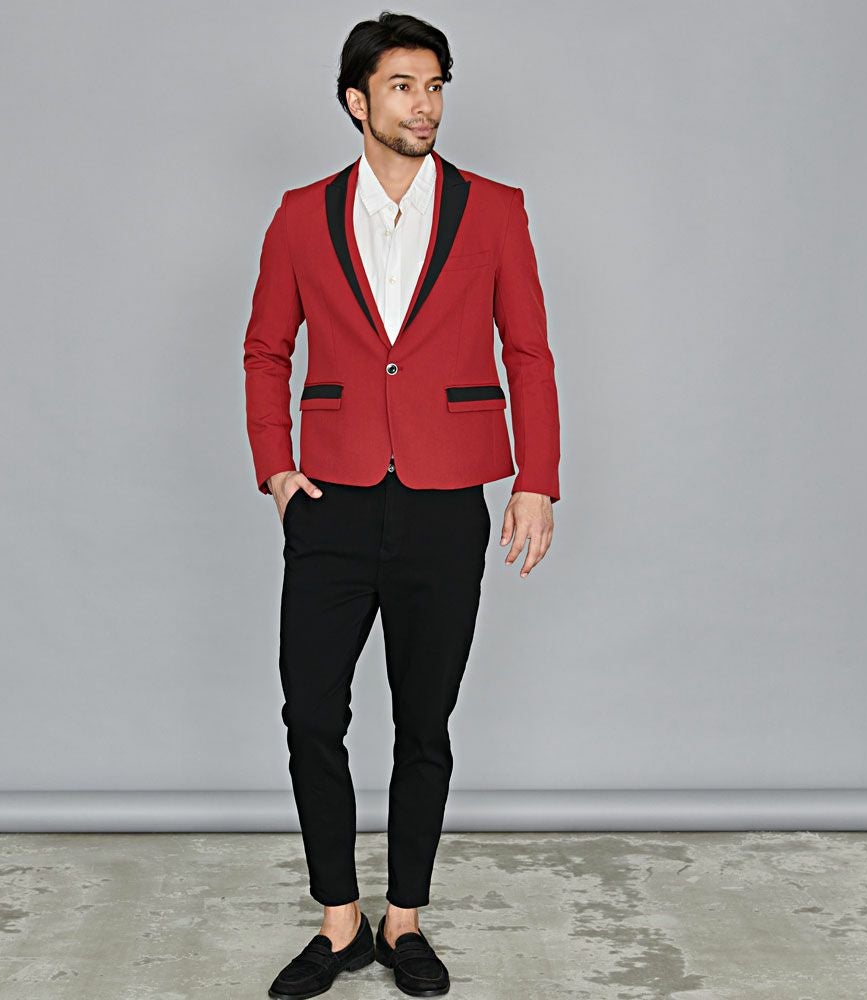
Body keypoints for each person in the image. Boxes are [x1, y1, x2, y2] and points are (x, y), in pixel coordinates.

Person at [243, 11, 561, 998]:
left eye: (434, 87)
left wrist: (536, 478)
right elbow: (266, 348)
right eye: (402, 87)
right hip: (332, 500)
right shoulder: (300, 214)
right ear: (357, 101)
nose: (424, 106)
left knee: (424, 722)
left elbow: (527, 351)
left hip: (445, 499)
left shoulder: (493, 209)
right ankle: (339, 923)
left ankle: (404, 919)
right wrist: (276, 468)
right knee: (311, 713)